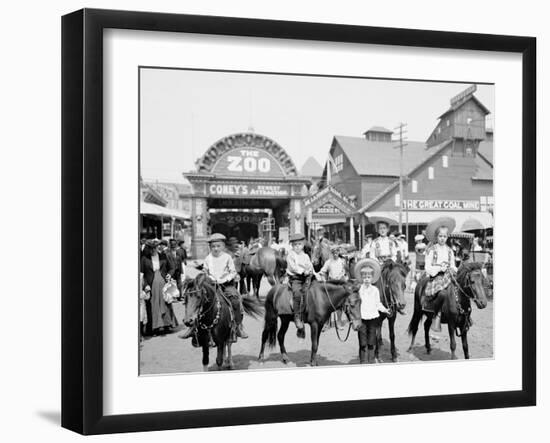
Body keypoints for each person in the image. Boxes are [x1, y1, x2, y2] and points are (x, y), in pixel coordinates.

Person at [180, 233, 248, 341]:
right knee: (197, 299)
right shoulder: (208, 258)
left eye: (218, 246)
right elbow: (205, 271)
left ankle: (237, 325)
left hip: (225, 285)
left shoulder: (227, 257)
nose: (215, 248)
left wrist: (224, 279)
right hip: (211, 285)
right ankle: (193, 327)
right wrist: (207, 277)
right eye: (213, 246)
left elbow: (233, 272)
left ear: (223, 246)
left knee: (235, 299)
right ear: (210, 247)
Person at [423, 217, 458, 332]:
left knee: (460, 290)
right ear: (436, 237)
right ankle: (436, 315)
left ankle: (463, 314)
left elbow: (452, 264)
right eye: (440, 236)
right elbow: (427, 267)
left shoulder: (450, 251)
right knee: (442, 294)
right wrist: (438, 269)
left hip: (448, 276)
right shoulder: (431, 250)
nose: (442, 239)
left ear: (447, 237)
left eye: (444, 236)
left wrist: (453, 269)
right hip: (436, 277)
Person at [355, 258, 390, 364]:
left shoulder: (375, 290)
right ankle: (363, 362)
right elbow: (355, 304)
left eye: (369, 277)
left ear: (372, 278)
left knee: (371, 341)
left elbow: (377, 303)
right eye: (364, 277)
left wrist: (385, 310)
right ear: (361, 278)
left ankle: (371, 361)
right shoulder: (359, 290)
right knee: (362, 342)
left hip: (373, 318)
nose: (366, 279)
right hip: (362, 319)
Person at [140, 239, 178, 335]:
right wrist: (145, 285)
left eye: (155, 248)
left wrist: (169, 274)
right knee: (153, 306)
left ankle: (167, 325)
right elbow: (141, 274)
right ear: (149, 249)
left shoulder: (163, 256)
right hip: (151, 286)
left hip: (163, 285)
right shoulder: (144, 259)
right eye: (151, 249)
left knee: (166, 303)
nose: (153, 250)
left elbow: (172, 267)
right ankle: (154, 328)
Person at [286, 232, 314, 335]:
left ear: (303, 245)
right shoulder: (291, 255)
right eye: (295, 245)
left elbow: (309, 265)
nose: (297, 247)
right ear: (292, 246)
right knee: (297, 294)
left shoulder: (305, 255)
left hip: (306, 277)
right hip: (296, 278)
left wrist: (311, 271)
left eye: (299, 244)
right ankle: (297, 316)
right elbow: (293, 267)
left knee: (315, 291)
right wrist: (303, 271)